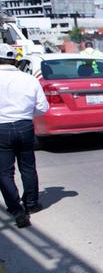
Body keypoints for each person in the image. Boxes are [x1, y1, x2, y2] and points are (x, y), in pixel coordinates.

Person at [0, 44, 48, 228]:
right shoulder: (29, 79)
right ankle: (32, 204)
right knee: (27, 167)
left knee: (4, 172)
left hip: (2, 128)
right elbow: (43, 107)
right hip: (25, 125)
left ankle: (16, 209)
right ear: (15, 60)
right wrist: (25, 114)